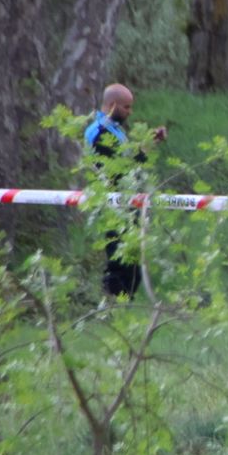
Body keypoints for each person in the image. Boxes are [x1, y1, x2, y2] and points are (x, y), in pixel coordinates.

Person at [84, 84, 165, 297]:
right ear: (112, 105)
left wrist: (149, 143)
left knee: (133, 261)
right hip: (112, 202)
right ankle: (112, 303)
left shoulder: (114, 129)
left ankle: (124, 304)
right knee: (119, 261)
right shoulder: (100, 131)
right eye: (126, 107)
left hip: (126, 200)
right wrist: (143, 150)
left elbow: (126, 158)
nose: (130, 112)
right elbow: (120, 166)